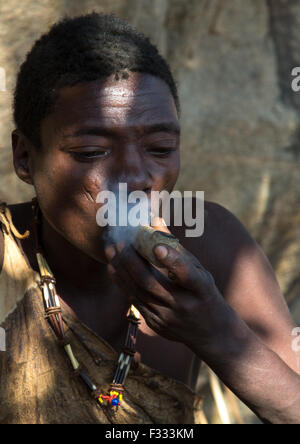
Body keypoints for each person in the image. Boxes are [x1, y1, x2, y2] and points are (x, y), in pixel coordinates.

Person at [0, 12, 299, 425]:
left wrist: (216, 334)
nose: (137, 178)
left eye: (160, 148)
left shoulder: (210, 243)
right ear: (24, 157)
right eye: (91, 152)